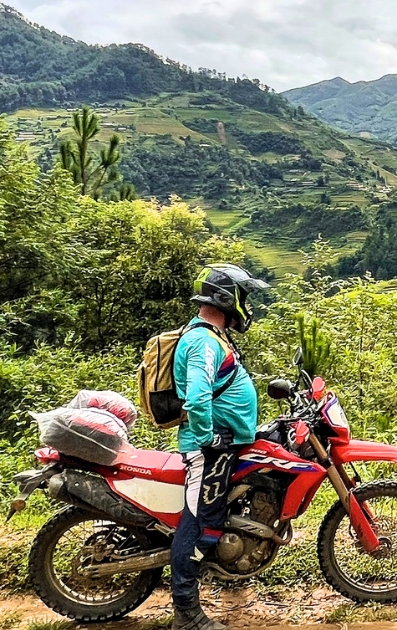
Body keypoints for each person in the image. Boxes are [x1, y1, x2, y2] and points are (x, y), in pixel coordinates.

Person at [171, 263, 268, 630]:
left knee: (211, 517)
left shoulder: (213, 337)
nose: (246, 305)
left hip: (223, 445)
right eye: (243, 297)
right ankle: (186, 614)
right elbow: (197, 398)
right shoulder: (203, 342)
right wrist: (209, 436)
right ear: (227, 299)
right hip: (208, 450)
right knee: (199, 523)